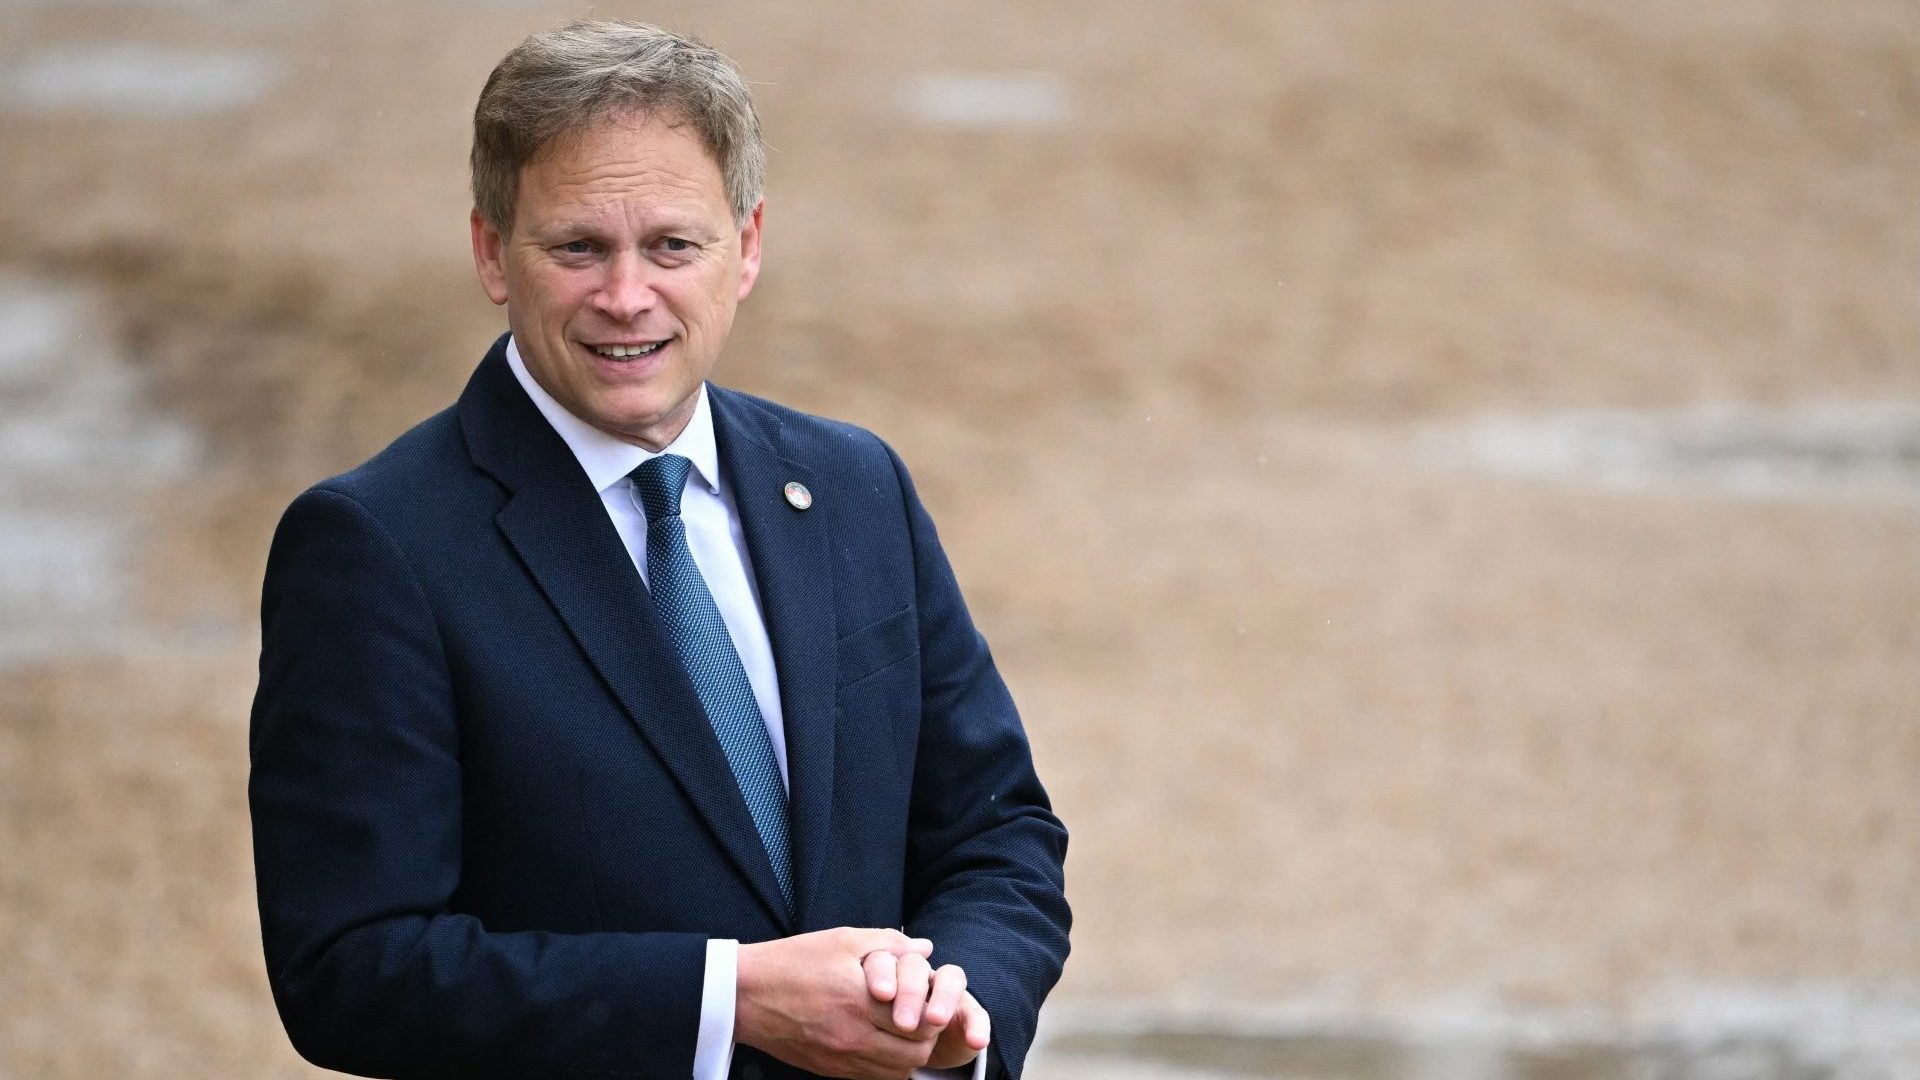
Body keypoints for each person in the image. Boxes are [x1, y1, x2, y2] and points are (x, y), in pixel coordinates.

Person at [247, 19, 1070, 1080]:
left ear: (749, 245)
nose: (627, 296)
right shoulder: (375, 548)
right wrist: (732, 1000)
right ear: (493, 252)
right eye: (578, 246)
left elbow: (998, 834)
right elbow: (352, 969)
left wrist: (956, 1007)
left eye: (673, 246)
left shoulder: (858, 484)